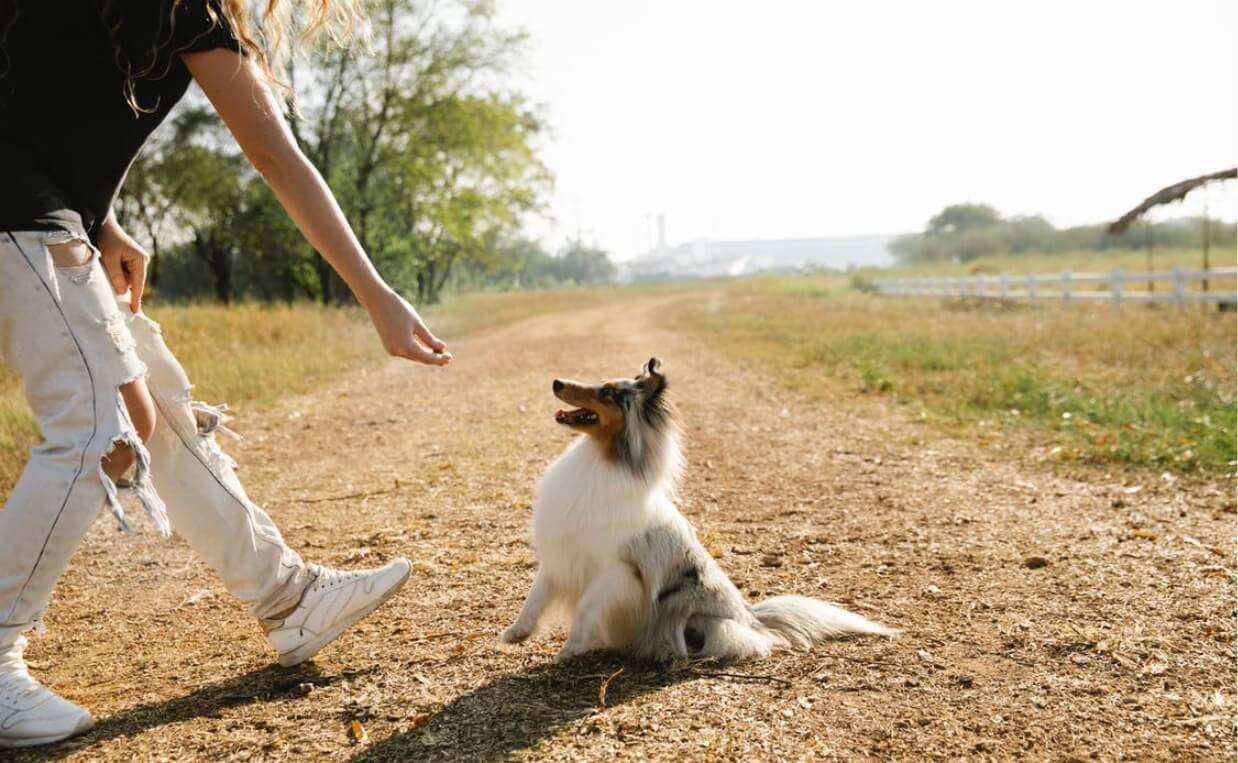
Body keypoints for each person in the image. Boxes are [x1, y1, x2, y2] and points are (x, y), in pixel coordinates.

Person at [0, 0, 452, 748]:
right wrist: (378, 296)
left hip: (43, 214)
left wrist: (99, 218)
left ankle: (288, 596)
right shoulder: (181, 10)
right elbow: (276, 156)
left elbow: (37, 109)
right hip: (19, 216)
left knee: (155, 400)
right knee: (98, 424)